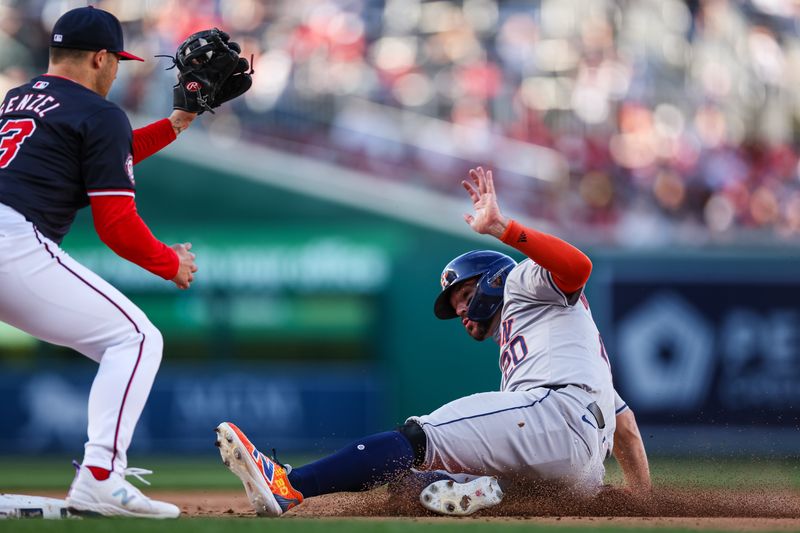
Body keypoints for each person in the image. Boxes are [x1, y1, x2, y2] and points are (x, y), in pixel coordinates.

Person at [216, 166, 651, 517]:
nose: (461, 310)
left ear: (491, 280)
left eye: (464, 295)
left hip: (555, 417)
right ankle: (487, 492)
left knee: (417, 438)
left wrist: (504, 229)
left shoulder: (521, 281)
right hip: (577, 472)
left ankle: (290, 485)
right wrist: (643, 500)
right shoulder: (561, 345)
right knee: (409, 489)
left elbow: (578, 266)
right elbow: (626, 430)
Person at [0, 6, 216, 519]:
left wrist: (175, 125)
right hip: (10, 240)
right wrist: (170, 262)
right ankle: (100, 477)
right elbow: (116, 226)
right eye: (116, 60)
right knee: (135, 338)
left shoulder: (17, 99)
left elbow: (103, 150)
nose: (117, 70)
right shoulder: (99, 113)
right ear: (100, 58)